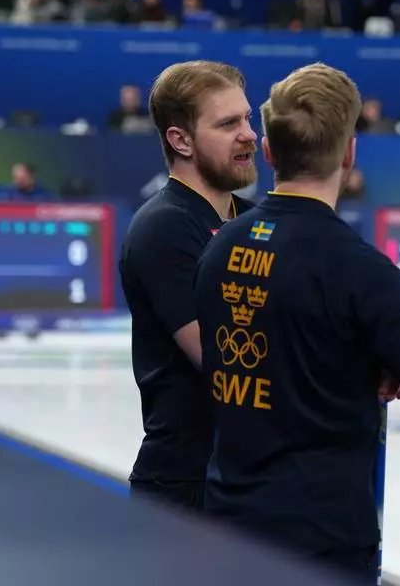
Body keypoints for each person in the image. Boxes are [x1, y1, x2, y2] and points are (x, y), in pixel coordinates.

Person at [193, 62, 400, 580]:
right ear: (349, 153)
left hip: (227, 521)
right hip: (321, 537)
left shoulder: (219, 245)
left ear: (269, 152)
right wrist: (392, 360)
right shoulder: (360, 268)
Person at [120, 60, 258, 511]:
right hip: (185, 488)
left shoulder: (254, 220)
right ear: (180, 139)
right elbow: (224, 359)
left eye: (248, 118)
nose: (250, 135)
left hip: (248, 478)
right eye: (229, 123)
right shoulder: (165, 227)